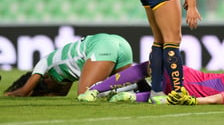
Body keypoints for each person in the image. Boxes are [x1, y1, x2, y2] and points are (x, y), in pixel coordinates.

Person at [79, 61, 224, 105]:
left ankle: (94, 90)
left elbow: (218, 99)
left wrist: (193, 102)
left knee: (148, 66)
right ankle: (130, 95)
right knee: (156, 87)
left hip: (184, 79)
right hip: (181, 87)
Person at [3, 33, 133, 97]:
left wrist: (9, 94)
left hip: (101, 46)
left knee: (85, 95)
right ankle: (142, 85)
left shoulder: (44, 63)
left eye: (45, 86)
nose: (54, 88)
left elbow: (24, 91)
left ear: (44, 78)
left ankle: (142, 83)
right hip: (119, 42)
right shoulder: (64, 74)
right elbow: (60, 93)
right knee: (128, 86)